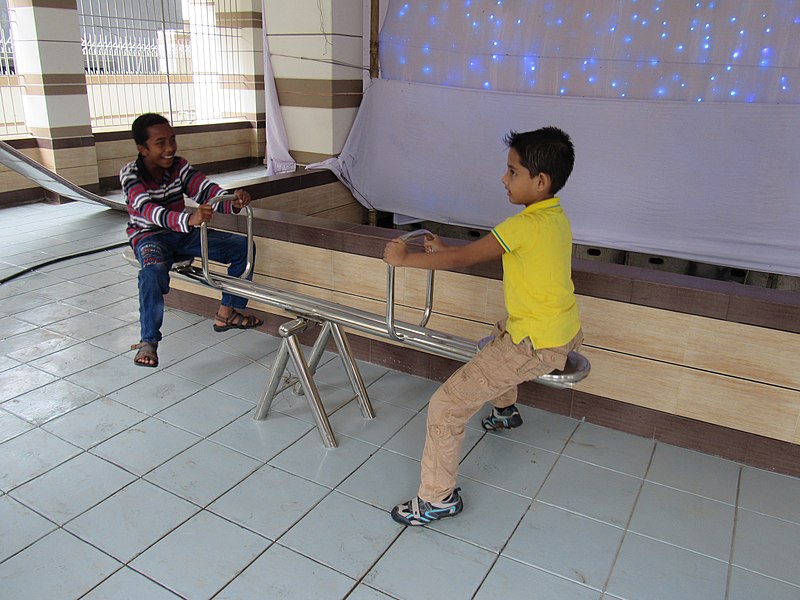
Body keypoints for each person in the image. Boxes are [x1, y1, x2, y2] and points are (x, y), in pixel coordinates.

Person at [383, 126, 583, 526]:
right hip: (558, 328)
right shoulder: (554, 217)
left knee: (446, 405)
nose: (503, 179)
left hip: (534, 343)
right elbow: (481, 252)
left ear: (540, 181)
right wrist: (443, 249)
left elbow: (464, 260)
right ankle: (505, 412)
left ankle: (437, 499)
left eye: (512, 171)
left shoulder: (521, 225)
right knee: (493, 340)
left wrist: (403, 260)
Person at [121, 112, 263, 367]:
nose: (170, 148)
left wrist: (233, 200)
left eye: (172, 140)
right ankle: (148, 341)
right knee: (152, 272)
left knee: (243, 247)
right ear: (142, 149)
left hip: (181, 234)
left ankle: (226, 312)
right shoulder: (130, 175)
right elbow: (147, 210)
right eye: (160, 143)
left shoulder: (179, 166)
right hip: (149, 236)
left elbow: (206, 191)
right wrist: (189, 220)